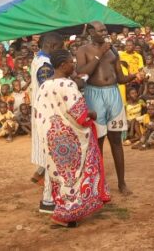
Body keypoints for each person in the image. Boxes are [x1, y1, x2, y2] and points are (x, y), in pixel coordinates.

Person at [37, 49, 110, 227]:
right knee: (73, 175)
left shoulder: (44, 85)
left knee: (61, 174)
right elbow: (80, 114)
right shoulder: (68, 85)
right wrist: (92, 114)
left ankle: (63, 210)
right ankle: (67, 214)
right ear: (63, 65)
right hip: (69, 138)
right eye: (71, 62)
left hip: (51, 137)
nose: (74, 65)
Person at [77, 21, 136, 195]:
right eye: (100, 30)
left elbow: (120, 78)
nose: (105, 32)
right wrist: (99, 54)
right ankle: (99, 185)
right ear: (90, 32)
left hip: (113, 94)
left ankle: (122, 183)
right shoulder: (83, 50)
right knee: (98, 142)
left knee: (116, 140)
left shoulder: (113, 50)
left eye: (105, 30)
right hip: (94, 95)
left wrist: (133, 77)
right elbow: (82, 75)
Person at [30, 32, 64, 213]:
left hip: (42, 114)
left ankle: (49, 196)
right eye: (60, 48)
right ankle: (48, 200)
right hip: (47, 115)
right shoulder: (45, 65)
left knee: (50, 158)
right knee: (52, 159)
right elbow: (49, 90)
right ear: (52, 47)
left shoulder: (39, 60)